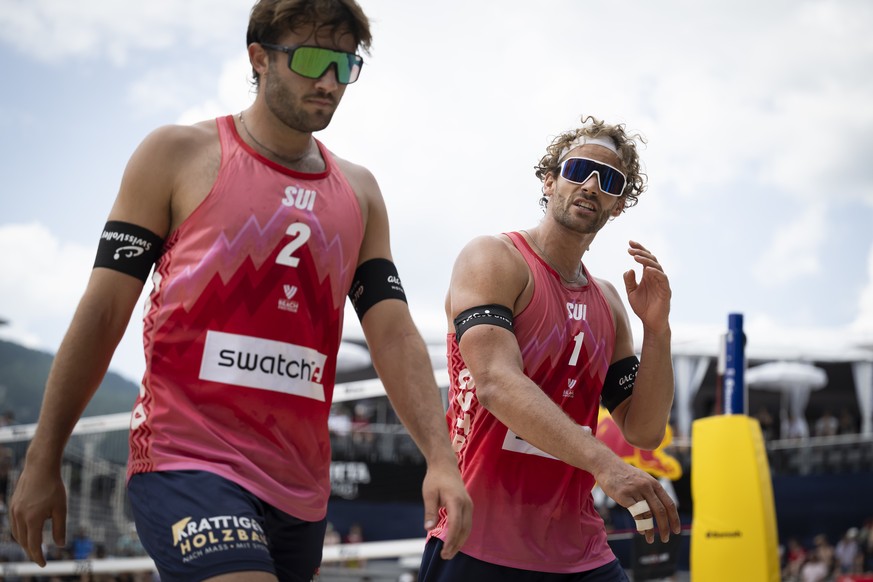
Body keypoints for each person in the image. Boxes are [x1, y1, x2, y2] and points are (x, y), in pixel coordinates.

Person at [8, 1, 472, 580]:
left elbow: (396, 335)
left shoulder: (361, 192)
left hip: (299, 487)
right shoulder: (177, 154)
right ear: (259, 58)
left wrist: (440, 459)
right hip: (185, 459)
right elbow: (103, 312)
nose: (329, 81)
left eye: (344, 65)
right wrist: (43, 455)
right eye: (311, 59)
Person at [420, 116, 681, 580]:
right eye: (579, 169)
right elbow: (496, 385)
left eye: (610, 180)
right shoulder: (495, 258)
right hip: (479, 541)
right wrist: (607, 465)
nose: (592, 185)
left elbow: (644, 430)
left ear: (618, 205)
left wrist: (657, 331)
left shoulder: (609, 302)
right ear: (550, 179)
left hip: (579, 550)